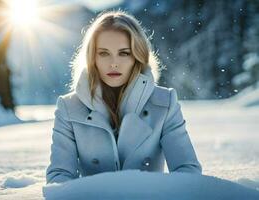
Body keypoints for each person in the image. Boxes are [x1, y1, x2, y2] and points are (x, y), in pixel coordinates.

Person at [46, 10, 202, 184]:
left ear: (137, 56)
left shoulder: (165, 102)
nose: (114, 63)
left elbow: (187, 171)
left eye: (124, 53)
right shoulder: (69, 107)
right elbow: (59, 177)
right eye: (104, 53)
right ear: (92, 58)